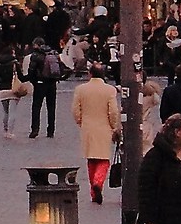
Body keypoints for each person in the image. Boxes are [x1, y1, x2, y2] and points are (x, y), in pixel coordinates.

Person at [72, 67, 121, 205]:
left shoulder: (81, 89)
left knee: (91, 160)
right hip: (104, 127)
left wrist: (81, 122)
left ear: (90, 74)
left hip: (87, 127)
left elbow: (75, 110)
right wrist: (113, 126)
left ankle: (93, 193)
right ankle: (98, 183)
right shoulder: (109, 90)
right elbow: (113, 111)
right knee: (104, 159)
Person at [26, 39, 62, 139]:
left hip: (40, 83)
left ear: (37, 45)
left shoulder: (36, 55)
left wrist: (34, 81)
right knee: (51, 108)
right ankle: (51, 131)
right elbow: (61, 68)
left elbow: (31, 71)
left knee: (36, 107)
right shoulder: (53, 53)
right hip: (52, 83)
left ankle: (35, 130)